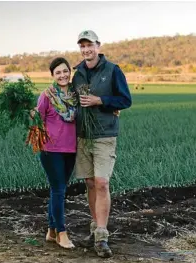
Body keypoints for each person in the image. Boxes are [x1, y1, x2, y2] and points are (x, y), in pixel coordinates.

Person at [72, 30, 132, 258]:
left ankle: (102, 234)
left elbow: (125, 99)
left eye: (90, 45)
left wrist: (101, 101)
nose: (86, 49)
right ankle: (95, 227)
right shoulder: (77, 74)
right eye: (82, 46)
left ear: (98, 45)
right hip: (83, 135)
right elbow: (70, 100)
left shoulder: (113, 70)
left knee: (102, 182)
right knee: (89, 182)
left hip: (105, 135)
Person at [32, 57, 78, 249]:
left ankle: (51, 231)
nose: (62, 75)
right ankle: (61, 233)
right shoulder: (47, 95)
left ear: (70, 72)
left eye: (65, 71)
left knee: (58, 190)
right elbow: (36, 120)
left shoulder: (77, 95)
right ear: (52, 75)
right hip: (51, 150)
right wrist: (31, 115)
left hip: (72, 149)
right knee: (59, 190)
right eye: (58, 72)